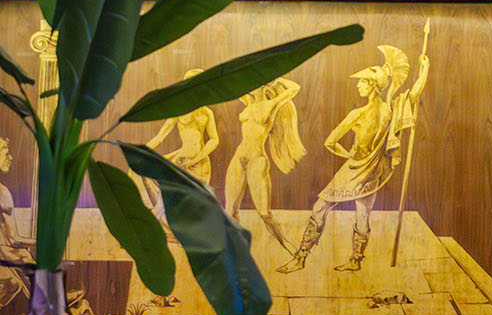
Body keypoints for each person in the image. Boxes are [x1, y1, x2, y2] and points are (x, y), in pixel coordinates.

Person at [279, 42, 429, 273]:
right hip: (360, 169)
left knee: (339, 210)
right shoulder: (383, 110)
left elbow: (331, 142)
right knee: (348, 212)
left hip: (367, 169)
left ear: (372, 86)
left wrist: (424, 70)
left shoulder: (372, 111)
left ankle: (314, 258)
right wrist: (424, 71)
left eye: (362, 82)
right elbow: (413, 93)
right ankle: (329, 259)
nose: (358, 85)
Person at [224, 77, 304, 250]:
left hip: (257, 160)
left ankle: (290, 249)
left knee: (265, 213)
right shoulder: (248, 102)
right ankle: (236, 250)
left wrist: (275, 78)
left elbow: (294, 87)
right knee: (230, 210)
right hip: (238, 157)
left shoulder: (272, 104)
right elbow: (231, 87)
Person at [144, 70, 220, 206]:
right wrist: (142, 150)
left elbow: (214, 139)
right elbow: (160, 136)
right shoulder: (178, 111)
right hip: (181, 160)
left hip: (200, 163)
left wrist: (195, 160)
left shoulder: (207, 112)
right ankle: (159, 209)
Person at [0, 136, 33, 307]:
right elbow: (13, 240)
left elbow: (11, 240)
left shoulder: (3, 192)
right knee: (12, 282)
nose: (10, 157)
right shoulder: (2, 193)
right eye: (5, 152)